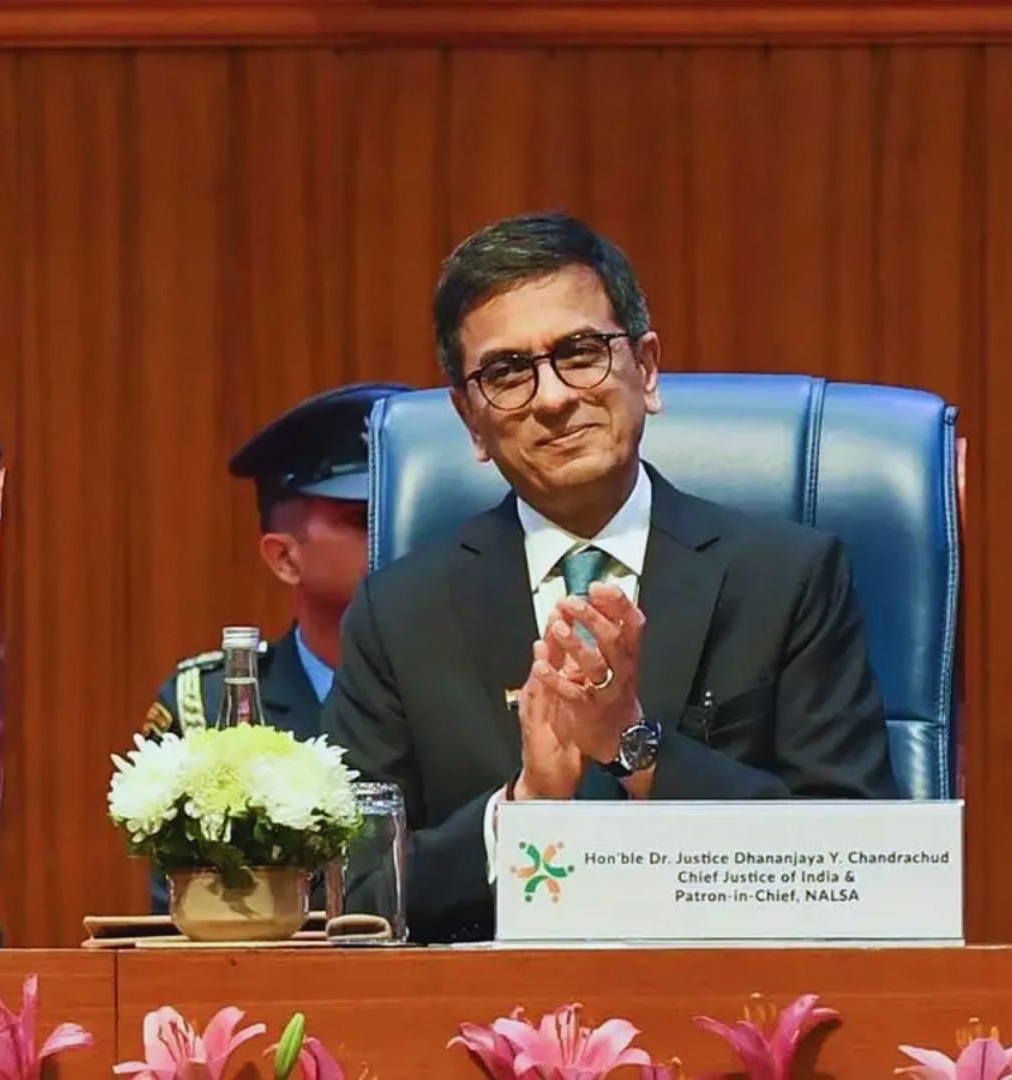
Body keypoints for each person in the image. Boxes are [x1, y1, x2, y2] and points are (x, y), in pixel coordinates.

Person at [322, 212, 898, 943]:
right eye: (507, 373)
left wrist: (637, 750)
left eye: (581, 352)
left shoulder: (786, 579)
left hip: (728, 993)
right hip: (488, 999)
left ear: (646, 370)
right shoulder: (400, 613)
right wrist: (525, 807)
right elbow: (354, 892)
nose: (553, 397)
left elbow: (855, 859)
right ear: (469, 419)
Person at [143, 381, 407, 911]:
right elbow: (187, 920)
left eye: (402, 510)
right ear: (284, 558)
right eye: (361, 520)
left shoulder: (468, 682)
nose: (395, 533)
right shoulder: (209, 708)